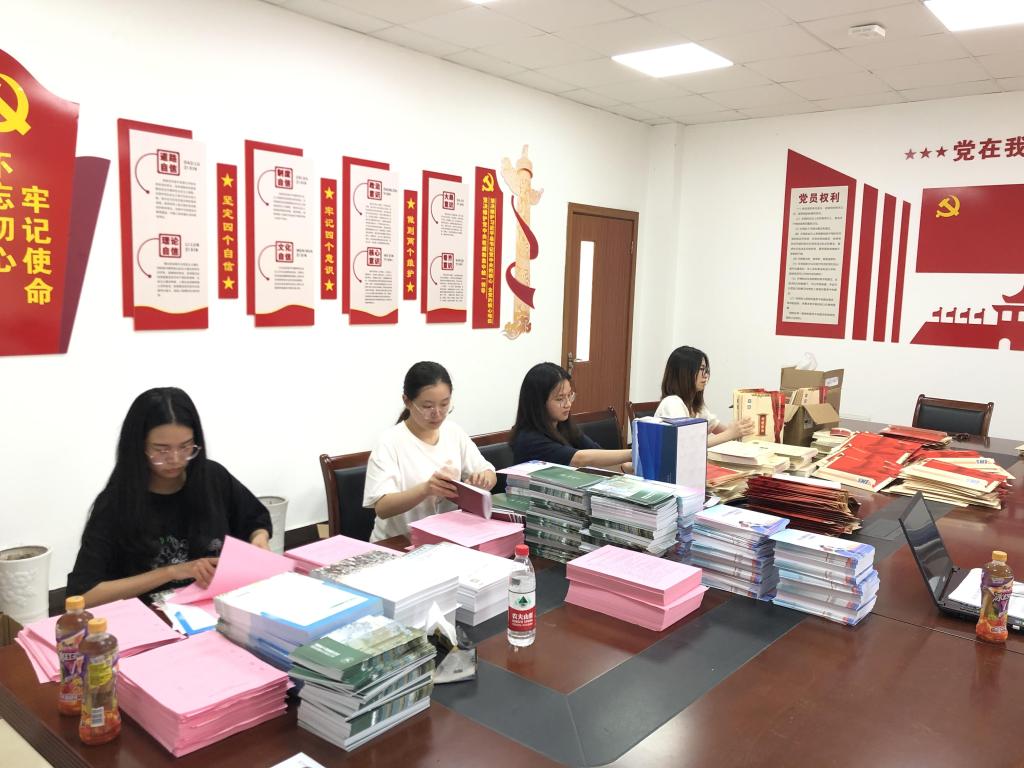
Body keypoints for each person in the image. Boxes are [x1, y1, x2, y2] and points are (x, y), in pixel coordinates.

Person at [67, 388, 271, 607]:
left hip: (217, 607)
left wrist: (259, 539)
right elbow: (84, 595)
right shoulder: (115, 504)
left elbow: (255, 521)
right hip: (152, 616)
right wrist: (170, 572)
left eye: (185, 447)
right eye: (161, 450)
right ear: (138, 447)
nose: (175, 459)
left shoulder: (212, 477)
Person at [364, 361, 496, 542]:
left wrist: (484, 479)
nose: (438, 413)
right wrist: (425, 490)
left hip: (447, 538)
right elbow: (382, 507)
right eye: (427, 406)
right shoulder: (389, 442)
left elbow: (488, 472)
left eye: (444, 404)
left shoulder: (453, 432)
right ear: (407, 401)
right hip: (398, 543)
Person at [510, 362, 632, 470]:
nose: (568, 404)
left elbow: (596, 457)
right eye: (560, 399)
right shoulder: (529, 439)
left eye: (569, 396)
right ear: (538, 403)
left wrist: (625, 468)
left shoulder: (564, 426)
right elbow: (580, 459)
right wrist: (633, 453)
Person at [654, 346, 753, 448]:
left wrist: (739, 428)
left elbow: (721, 430)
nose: (705, 375)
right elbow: (687, 446)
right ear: (684, 372)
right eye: (701, 369)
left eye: (706, 369)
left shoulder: (696, 407)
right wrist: (730, 433)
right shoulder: (672, 403)